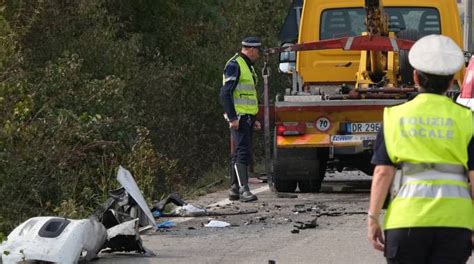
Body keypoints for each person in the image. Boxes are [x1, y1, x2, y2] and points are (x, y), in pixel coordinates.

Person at [368, 34, 474, 263]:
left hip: (406, 222)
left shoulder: (395, 117)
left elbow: (383, 173)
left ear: (415, 76)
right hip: (456, 223)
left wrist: (373, 217)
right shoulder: (467, 120)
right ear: (451, 80)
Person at [220, 37, 262, 202]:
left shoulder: (247, 67)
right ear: (251, 50)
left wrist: (255, 117)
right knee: (243, 151)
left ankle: (234, 189)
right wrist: (232, 117)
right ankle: (244, 190)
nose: (258, 54)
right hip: (239, 117)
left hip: (247, 116)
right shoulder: (235, 65)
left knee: (240, 151)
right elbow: (225, 93)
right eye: (257, 51)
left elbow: (249, 95)